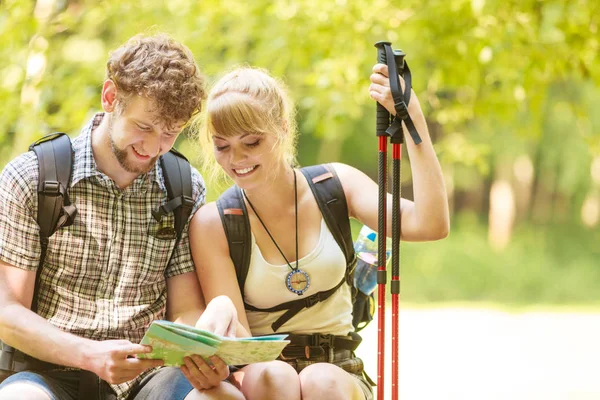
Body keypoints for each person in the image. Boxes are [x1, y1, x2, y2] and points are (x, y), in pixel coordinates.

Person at [0, 34, 243, 400]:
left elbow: (186, 309)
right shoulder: (32, 178)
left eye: (170, 134)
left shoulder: (183, 187)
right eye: (144, 127)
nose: (153, 149)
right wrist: (90, 355)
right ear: (111, 97)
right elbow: (7, 313)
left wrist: (203, 353)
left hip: (147, 378)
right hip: (48, 374)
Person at [189, 65, 450, 400]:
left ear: (282, 129)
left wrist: (411, 116)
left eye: (251, 142)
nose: (236, 159)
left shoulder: (335, 186)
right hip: (263, 374)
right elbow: (241, 348)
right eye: (222, 147)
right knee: (275, 377)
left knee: (321, 381)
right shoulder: (214, 222)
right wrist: (222, 309)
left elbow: (430, 224)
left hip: (337, 372)